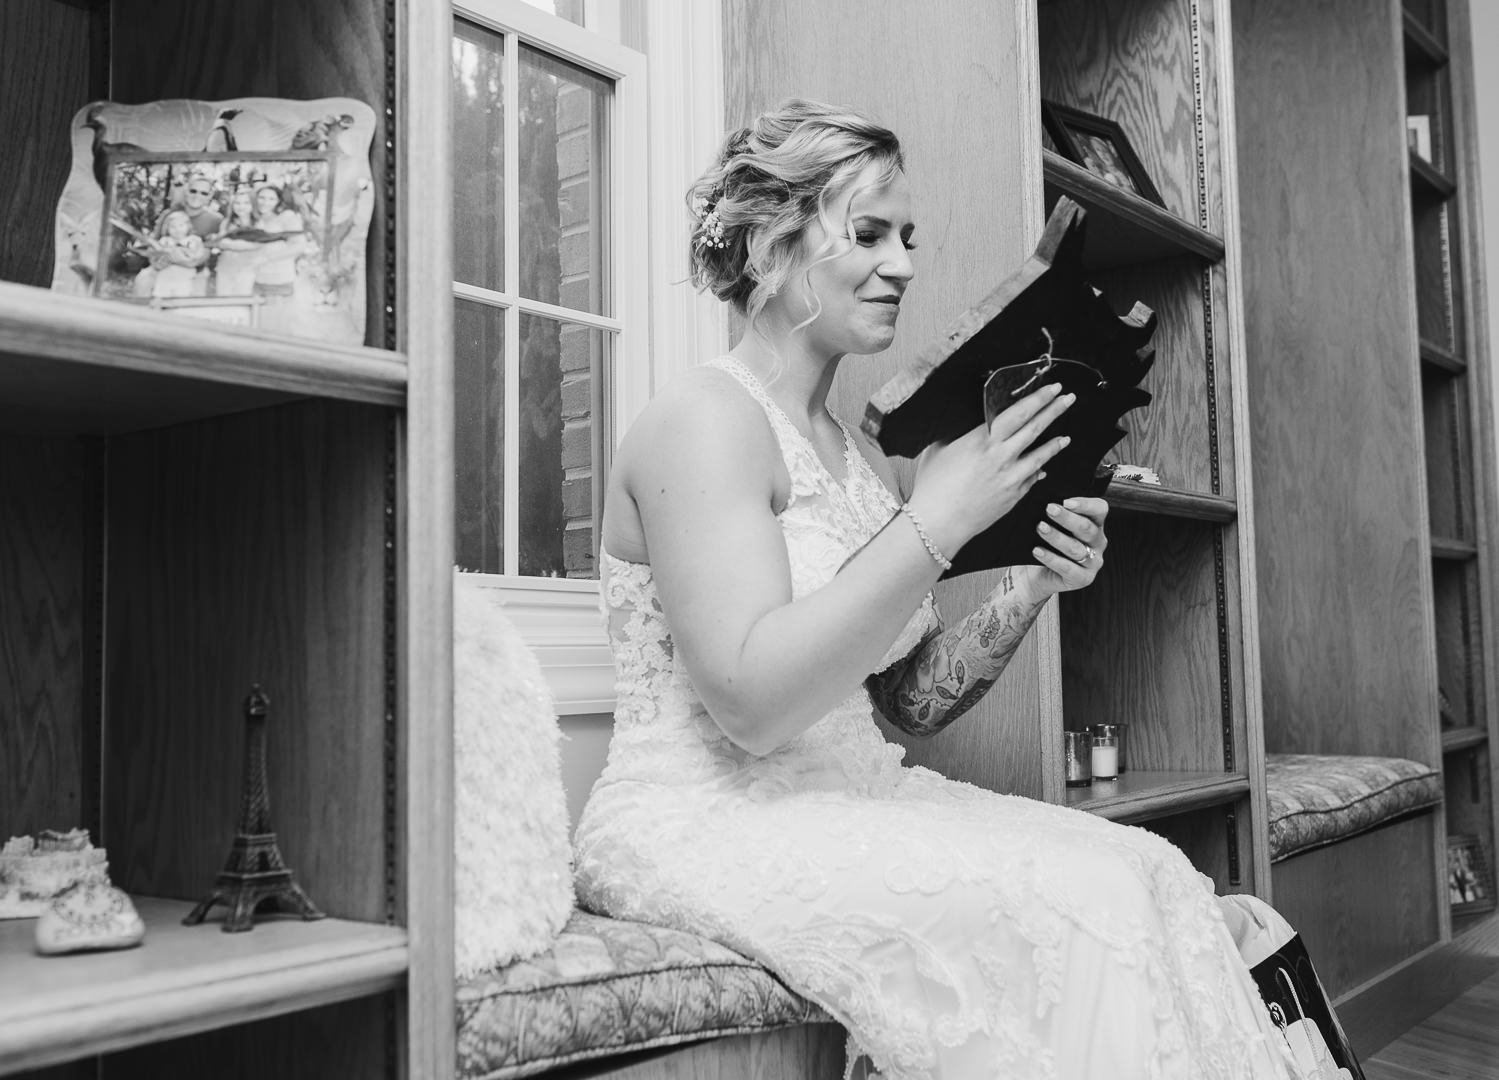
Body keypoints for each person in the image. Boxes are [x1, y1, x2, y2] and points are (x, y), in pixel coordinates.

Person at [571, 99, 1292, 1079]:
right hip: (704, 817)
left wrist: (1029, 585)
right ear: (769, 239)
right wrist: (939, 519)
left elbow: (903, 703)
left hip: (851, 792)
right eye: (867, 234)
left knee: (1144, 871)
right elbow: (748, 705)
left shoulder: (857, 459)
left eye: (907, 238)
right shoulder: (701, 419)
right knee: (1090, 904)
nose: (903, 264)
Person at [140, 208, 207, 299]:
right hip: (165, 276)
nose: (177, 229)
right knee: (161, 297)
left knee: (181, 298)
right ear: (167, 229)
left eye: (181, 225)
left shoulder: (193, 240)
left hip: (184, 276)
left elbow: (196, 256)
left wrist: (178, 252)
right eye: (173, 227)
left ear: (188, 226)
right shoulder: (165, 241)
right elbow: (157, 256)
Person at [210, 186, 263, 297]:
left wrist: (230, 244)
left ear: (253, 205)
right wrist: (247, 244)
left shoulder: (258, 224)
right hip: (226, 268)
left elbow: (258, 244)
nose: (241, 207)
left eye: (246, 203)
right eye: (237, 203)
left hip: (247, 270)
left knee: (243, 300)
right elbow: (221, 243)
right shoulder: (227, 223)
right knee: (224, 300)